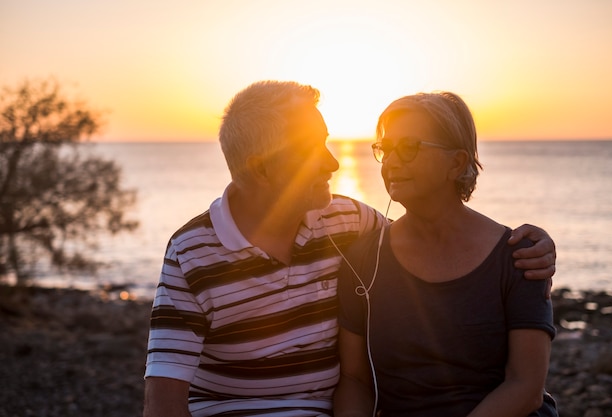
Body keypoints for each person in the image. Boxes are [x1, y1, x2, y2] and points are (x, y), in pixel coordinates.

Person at [143, 81, 557, 417]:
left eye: (327, 142)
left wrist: (536, 245)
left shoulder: (346, 225)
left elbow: (431, 236)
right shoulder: (191, 252)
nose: (333, 164)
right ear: (262, 169)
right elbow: (163, 403)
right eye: (311, 150)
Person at [333, 91, 558, 417]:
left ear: (457, 163)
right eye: (386, 148)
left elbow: (525, 388)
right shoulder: (364, 259)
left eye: (408, 148)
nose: (392, 162)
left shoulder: (518, 257)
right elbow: (355, 379)